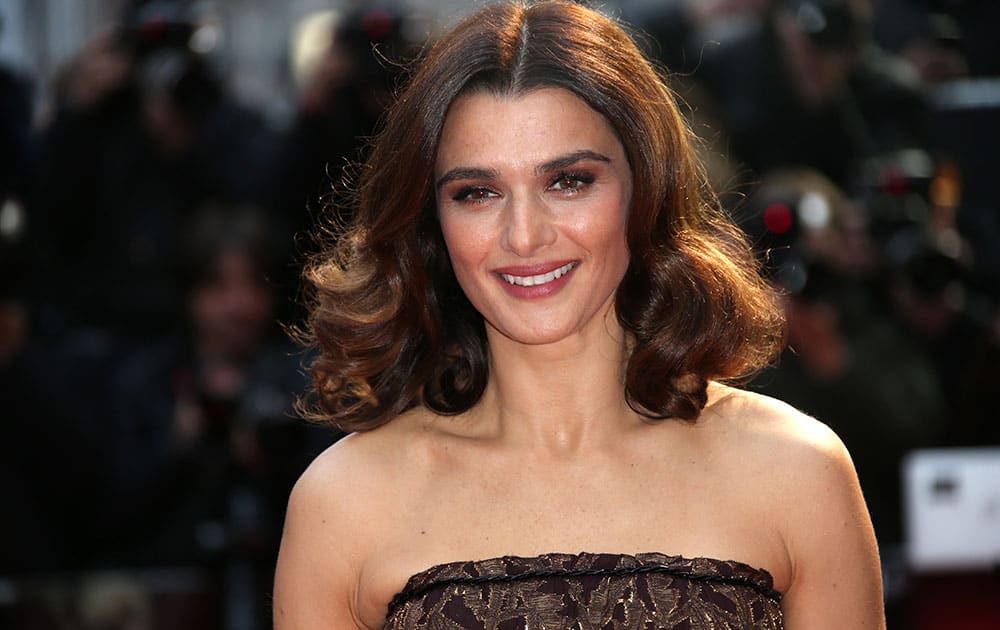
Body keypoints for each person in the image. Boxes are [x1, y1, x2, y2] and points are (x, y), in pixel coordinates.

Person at [274, 1, 885, 627]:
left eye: (568, 181)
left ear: (644, 189)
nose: (524, 236)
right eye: (477, 193)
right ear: (432, 221)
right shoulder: (345, 504)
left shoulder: (796, 473)